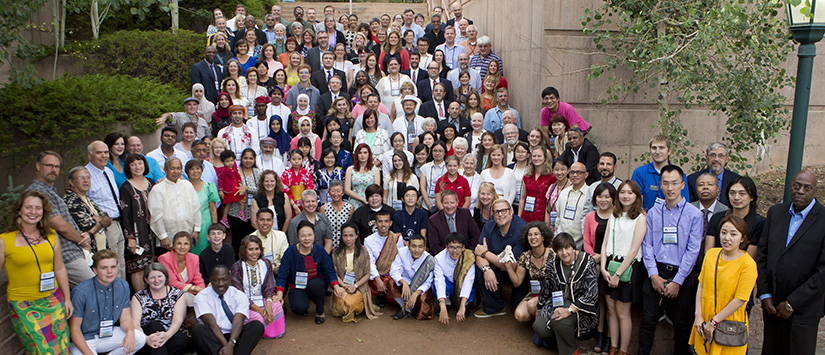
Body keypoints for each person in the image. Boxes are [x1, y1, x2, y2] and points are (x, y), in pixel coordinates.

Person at [757, 170, 825, 354]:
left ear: (815, 191)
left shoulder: (823, 219)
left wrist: (792, 303)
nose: (800, 191)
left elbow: (823, 272)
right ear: (790, 186)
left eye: (807, 188)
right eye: (797, 186)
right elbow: (762, 256)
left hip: (804, 309)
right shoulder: (776, 213)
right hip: (773, 306)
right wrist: (765, 295)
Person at [639, 165, 704, 355]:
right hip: (656, 271)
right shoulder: (653, 212)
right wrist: (653, 275)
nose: (670, 188)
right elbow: (647, 245)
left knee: (682, 324)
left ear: (682, 184)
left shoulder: (694, 214)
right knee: (648, 320)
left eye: (675, 183)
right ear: (660, 185)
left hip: (682, 274)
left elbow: (693, 250)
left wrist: (678, 281)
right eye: (666, 183)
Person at [2, 191, 73, 354]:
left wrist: (67, 299)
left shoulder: (51, 235)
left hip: (53, 300)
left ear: (43, 211)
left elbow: (60, 268)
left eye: (37, 208)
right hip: (24, 304)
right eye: (28, 207)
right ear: (19, 210)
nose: (33, 212)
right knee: (41, 350)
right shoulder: (4, 240)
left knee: (61, 349)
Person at [688, 215, 756, 355]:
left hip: (729, 325)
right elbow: (701, 285)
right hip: (704, 321)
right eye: (723, 233)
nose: (727, 238)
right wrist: (698, 315)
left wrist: (714, 322)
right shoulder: (711, 255)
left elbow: (740, 299)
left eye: (733, 234)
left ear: (742, 238)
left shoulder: (748, 264)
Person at [26, 152, 96, 286]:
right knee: (94, 289)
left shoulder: (50, 191)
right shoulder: (38, 193)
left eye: (57, 167)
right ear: (38, 166)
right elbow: (60, 226)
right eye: (49, 165)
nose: (54, 170)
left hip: (72, 253)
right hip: (65, 256)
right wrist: (81, 240)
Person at [598, 180, 646, 354]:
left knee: (622, 311)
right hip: (609, 265)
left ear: (637, 196)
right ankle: (613, 345)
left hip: (627, 268)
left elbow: (634, 250)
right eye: (623, 192)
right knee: (610, 308)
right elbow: (604, 244)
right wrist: (603, 268)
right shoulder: (614, 214)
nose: (626, 196)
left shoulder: (640, 218)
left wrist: (618, 274)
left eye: (630, 193)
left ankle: (624, 350)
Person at [70, 249, 146, 355]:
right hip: (85, 339)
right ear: (95, 270)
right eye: (104, 268)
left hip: (108, 334)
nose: (109, 271)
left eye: (113, 267)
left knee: (139, 338)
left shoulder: (122, 285)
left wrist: (130, 332)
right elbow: (74, 329)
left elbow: (125, 318)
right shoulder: (81, 292)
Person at [533, 233, 599, 355]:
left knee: (559, 321)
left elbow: (592, 293)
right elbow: (546, 287)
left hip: (580, 307)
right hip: (558, 301)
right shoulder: (552, 264)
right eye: (559, 249)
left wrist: (569, 310)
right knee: (539, 327)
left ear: (573, 247)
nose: (564, 252)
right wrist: (540, 307)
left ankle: (571, 351)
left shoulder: (587, 261)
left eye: (567, 248)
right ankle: (560, 342)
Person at [275, 220, 344, 324]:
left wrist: (336, 286)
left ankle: (320, 311)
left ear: (314, 235)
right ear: (298, 237)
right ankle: (304, 302)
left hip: (317, 283)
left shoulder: (320, 250)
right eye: (303, 236)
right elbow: (282, 274)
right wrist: (279, 295)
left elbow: (329, 270)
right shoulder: (290, 252)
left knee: (315, 285)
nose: (307, 238)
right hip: (298, 285)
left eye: (309, 235)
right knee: (298, 308)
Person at [191, 264, 264, 355]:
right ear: (211, 279)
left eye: (224, 279)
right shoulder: (201, 297)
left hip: (234, 336)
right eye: (216, 280)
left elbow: (238, 322)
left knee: (257, 326)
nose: (221, 284)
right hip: (214, 336)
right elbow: (211, 324)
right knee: (199, 330)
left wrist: (231, 344)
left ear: (229, 279)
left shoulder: (239, 295)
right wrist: (227, 346)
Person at [474, 198, 529, 317]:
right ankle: (495, 306)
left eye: (503, 211)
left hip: (519, 275)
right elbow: (478, 252)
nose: (500, 215)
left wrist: (486, 254)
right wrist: (486, 269)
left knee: (517, 309)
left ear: (511, 212)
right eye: (496, 212)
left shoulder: (522, 229)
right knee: (479, 269)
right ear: (492, 214)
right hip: (498, 269)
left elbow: (513, 265)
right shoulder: (488, 226)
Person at [85, 141, 127, 278]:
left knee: (121, 263)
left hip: (118, 223)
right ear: (89, 155)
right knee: (111, 265)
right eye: (99, 153)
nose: (103, 156)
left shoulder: (108, 171)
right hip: (105, 226)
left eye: (105, 152)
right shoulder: (86, 175)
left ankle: (122, 295)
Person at [230, 235, 285, 339]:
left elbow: (269, 286)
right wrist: (260, 310)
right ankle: (258, 333)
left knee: (277, 306)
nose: (254, 252)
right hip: (244, 303)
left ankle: (273, 332)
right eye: (250, 249)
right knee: (258, 319)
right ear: (244, 250)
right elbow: (239, 293)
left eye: (257, 249)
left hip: (262, 299)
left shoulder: (265, 263)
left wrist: (268, 304)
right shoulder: (237, 267)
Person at [130, 263, 191, 355]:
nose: (156, 280)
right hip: (147, 336)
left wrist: (167, 335)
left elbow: (178, 320)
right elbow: (135, 324)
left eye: (159, 276)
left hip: (170, 333)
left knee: (181, 339)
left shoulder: (177, 294)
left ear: (165, 277)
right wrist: (146, 339)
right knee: (155, 326)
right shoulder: (138, 297)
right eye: (152, 278)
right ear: (146, 280)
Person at [117, 155, 156, 290]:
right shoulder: (126, 188)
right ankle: (141, 299)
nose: (137, 167)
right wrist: (130, 237)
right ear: (128, 168)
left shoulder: (151, 183)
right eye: (133, 164)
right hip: (137, 233)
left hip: (153, 232)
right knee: (137, 267)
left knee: (152, 266)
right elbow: (125, 215)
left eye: (140, 163)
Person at [330, 222, 381, 322]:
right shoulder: (336, 253)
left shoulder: (363, 251)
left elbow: (367, 274)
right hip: (342, 285)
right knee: (343, 305)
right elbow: (334, 273)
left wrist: (355, 286)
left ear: (356, 236)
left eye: (351, 235)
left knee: (351, 304)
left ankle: (360, 306)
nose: (348, 239)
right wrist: (344, 285)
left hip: (359, 286)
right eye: (345, 235)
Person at [148, 158, 201, 255]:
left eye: (178, 168)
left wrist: (197, 229)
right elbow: (156, 216)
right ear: (165, 170)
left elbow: (196, 208)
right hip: (167, 239)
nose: (176, 171)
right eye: (172, 168)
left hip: (187, 234)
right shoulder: (158, 189)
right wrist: (163, 236)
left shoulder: (187, 185)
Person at [504, 221, 554, 323]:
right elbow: (517, 282)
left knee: (532, 305)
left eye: (536, 234)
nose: (532, 237)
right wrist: (508, 267)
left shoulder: (553, 255)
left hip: (551, 293)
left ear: (543, 237)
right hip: (535, 293)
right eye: (530, 235)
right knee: (519, 315)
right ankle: (540, 319)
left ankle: (542, 330)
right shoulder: (525, 257)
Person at [705, 176, 765, 258]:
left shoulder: (759, 223)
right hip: (715, 265)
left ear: (751, 197)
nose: (736, 197)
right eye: (732, 193)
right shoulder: (717, 217)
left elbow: (750, 257)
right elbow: (709, 251)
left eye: (742, 194)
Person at [631, 135, 689, 210]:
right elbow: (634, 201)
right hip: (647, 219)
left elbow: (684, 202)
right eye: (654, 148)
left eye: (661, 148)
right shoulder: (640, 173)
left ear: (669, 151)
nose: (657, 152)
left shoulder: (678, 174)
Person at [64, 166, 110, 256]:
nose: (86, 180)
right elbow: (88, 225)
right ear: (71, 182)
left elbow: (107, 219)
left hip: (101, 251)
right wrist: (100, 222)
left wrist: (98, 220)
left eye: (88, 177)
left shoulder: (87, 198)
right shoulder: (72, 201)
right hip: (88, 252)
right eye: (81, 178)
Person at [389, 233, 434, 320]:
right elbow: (394, 270)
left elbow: (428, 282)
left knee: (423, 312)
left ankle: (408, 308)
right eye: (413, 246)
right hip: (406, 282)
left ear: (424, 248)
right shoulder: (402, 252)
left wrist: (415, 294)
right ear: (408, 246)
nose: (417, 250)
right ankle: (404, 306)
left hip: (421, 287)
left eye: (420, 247)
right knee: (391, 283)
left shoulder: (429, 259)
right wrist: (403, 282)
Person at [364, 210, 405, 305]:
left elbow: (400, 260)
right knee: (373, 281)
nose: (383, 224)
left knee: (391, 282)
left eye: (386, 221)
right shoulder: (368, 240)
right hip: (376, 274)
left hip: (392, 273)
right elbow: (370, 262)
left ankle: (389, 298)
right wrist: (377, 279)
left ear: (390, 223)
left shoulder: (397, 239)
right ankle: (380, 296)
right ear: (375, 223)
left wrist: (393, 275)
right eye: (380, 221)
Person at [434, 232, 475, 325]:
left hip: (462, 285)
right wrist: (442, 306)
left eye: (458, 247)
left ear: (463, 248)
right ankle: (447, 304)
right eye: (451, 247)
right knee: (439, 283)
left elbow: (468, 281)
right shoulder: (438, 259)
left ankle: (465, 305)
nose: (454, 251)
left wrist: (462, 306)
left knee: (469, 286)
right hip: (448, 284)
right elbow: (439, 281)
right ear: (446, 247)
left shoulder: (469, 258)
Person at [158, 232, 206, 307]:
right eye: (179, 243)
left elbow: (198, 279)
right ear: (173, 245)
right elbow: (172, 282)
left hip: (188, 292)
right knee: (187, 298)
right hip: (169, 292)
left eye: (186, 244)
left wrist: (202, 292)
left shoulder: (194, 258)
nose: (182, 247)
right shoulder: (164, 258)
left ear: (190, 246)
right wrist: (192, 288)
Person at [186, 160, 220, 256]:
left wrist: (214, 229)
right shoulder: (184, 187)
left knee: (203, 252)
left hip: (205, 225)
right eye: (192, 169)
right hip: (187, 224)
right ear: (187, 172)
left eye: (198, 168)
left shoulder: (209, 187)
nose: (195, 171)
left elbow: (213, 210)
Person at [518, 146, 556, 223]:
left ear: (545, 157)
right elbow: (522, 198)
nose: (536, 158)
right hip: (526, 214)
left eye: (539, 156)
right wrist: (519, 217)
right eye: (534, 156)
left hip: (542, 216)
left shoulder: (551, 177)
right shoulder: (527, 176)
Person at [582, 152, 623, 217]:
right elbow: (586, 211)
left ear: (615, 167)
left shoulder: (621, 187)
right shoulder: (593, 187)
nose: (604, 167)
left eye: (608, 164)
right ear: (598, 166)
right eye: (602, 164)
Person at [345, 143, 380, 210]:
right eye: (360, 153)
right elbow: (347, 190)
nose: (362, 155)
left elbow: (376, 189)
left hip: (370, 202)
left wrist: (368, 200)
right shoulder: (350, 169)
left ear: (369, 154)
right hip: (354, 202)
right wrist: (362, 199)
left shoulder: (375, 169)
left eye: (365, 152)